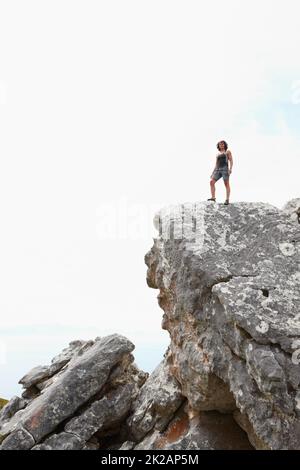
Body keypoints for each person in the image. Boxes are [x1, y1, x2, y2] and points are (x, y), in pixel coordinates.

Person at [207, 140, 233, 205]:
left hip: (225, 169)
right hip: (218, 170)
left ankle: (227, 199)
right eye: (220, 144)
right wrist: (213, 172)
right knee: (211, 182)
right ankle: (213, 198)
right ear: (218, 146)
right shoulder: (218, 154)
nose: (221, 145)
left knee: (226, 184)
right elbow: (216, 164)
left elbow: (231, 160)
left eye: (222, 144)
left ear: (224, 145)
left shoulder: (227, 152)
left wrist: (230, 169)